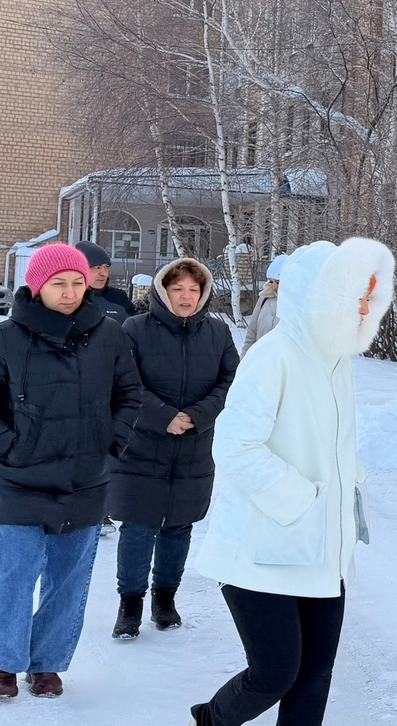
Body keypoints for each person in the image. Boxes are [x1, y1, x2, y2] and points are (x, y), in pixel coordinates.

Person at [188, 237, 393, 726]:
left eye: (369, 296)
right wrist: (301, 500)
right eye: (356, 296)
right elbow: (235, 447)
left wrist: (349, 495)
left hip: (324, 551)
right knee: (275, 674)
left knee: (315, 675)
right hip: (264, 550)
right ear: (322, 295)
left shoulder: (337, 359)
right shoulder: (274, 355)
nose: (365, 308)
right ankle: (212, 719)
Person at [0, 243, 141, 701]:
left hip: (84, 481)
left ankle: (47, 664)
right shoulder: (7, 336)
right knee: (15, 576)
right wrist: (9, 444)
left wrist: (110, 444)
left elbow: (130, 394)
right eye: (59, 283)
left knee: (69, 581)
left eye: (77, 282)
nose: (70, 291)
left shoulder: (109, 335)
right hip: (17, 481)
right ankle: (3, 663)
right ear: (38, 286)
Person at [109, 257, 241, 639]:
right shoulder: (134, 329)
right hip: (141, 445)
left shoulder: (218, 333)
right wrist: (162, 415)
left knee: (178, 527)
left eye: (193, 290)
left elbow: (231, 381)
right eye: (178, 289)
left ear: (204, 293)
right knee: (138, 527)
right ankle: (130, 605)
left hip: (194, 447)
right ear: (162, 291)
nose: (186, 296)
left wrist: (198, 415)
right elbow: (124, 382)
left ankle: (165, 600)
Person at [75, 241, 135, 323]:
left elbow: (135, 327)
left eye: (106, 267)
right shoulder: (68, 299)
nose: (104, 273)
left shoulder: (117, 297)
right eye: (97, 267)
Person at [241, 254, 287, 356]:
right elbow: (251, 334)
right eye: (271, 281)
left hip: (282, 363)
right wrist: (244, 359)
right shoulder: (264, 298)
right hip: (259, 359)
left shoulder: (296, 304)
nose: (274, 287)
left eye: (278, 282)